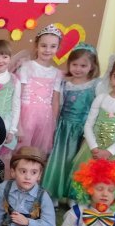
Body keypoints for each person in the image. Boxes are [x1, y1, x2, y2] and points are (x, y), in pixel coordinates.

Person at [69, 46, 115, 173]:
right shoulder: (101, 98)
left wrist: (109, 152)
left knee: (110, 182)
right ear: (110, 75)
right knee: (88, 179)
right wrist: (94, 148)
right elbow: (88, 125)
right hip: (93, 150)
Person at [42, 43, 100, 203]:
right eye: (74, 64)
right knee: (60, 161)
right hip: (64, 128)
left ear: (92, 66)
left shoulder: (95, 85)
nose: (78, 69)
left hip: (83, 130)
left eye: (83, 65)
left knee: (79, 163)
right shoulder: (65, 83)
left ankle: (73, 195)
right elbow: (59, 104)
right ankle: (54, 192)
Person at [16, 24, 63, 155]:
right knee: (22, 151)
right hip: (26, 115)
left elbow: (55, 101)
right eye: (43, 45)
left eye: (53, 46)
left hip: (45, 118)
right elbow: (18, 96)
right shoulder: (27, 67)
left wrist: (52, 124)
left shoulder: (57, 73)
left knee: (38, 153)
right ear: (36, 46)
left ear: (58, 48)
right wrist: (18, 124)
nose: (48, 50)